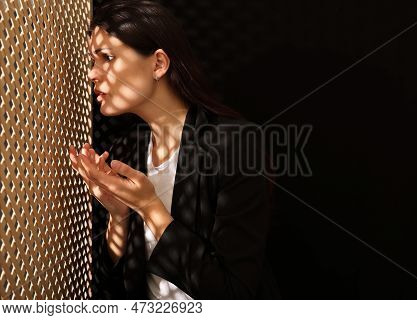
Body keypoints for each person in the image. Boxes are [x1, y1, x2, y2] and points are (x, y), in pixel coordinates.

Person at [68, 0, 280, 299]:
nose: (92, 74)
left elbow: (234, 293)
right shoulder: (126, 151)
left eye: (108, 57)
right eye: (93, 60)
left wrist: (150, 208)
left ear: (158, 64)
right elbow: (112, 287)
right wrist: (119, 215)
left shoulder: (234, 143)